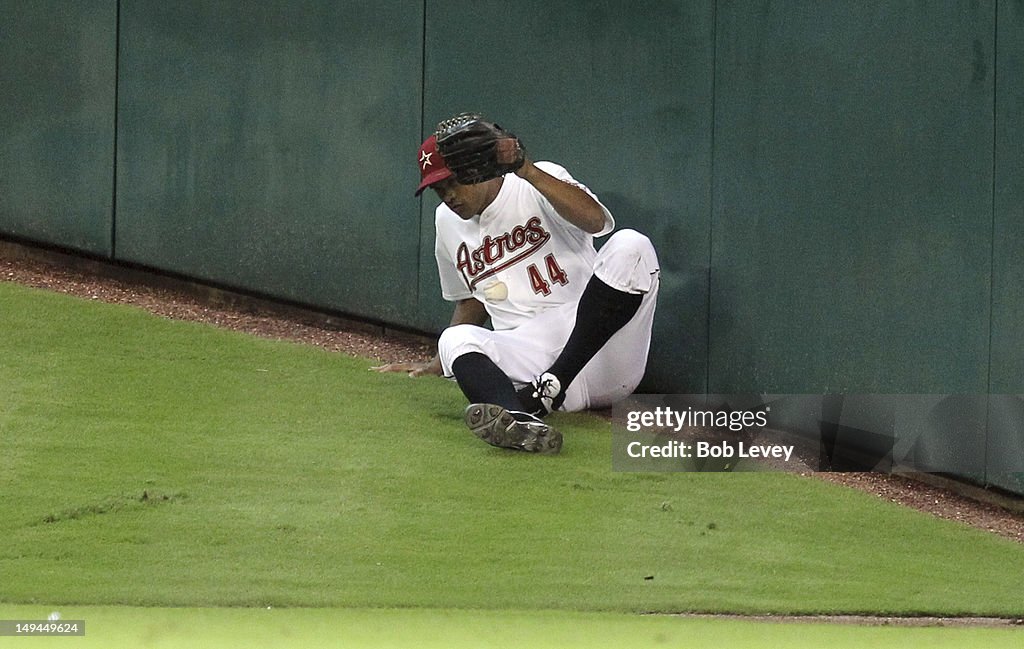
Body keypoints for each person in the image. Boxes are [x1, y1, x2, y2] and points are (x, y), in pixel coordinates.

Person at [375, 115, 659, 454]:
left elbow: (596, 221)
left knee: (632, 245)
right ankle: (519, 417)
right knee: (453, 338)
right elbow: (471, 299)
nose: (448, 196)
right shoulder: (446, 222)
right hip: (531, 357)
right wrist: (440, 362)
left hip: (600, 351)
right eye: (438, 189)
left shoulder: (535, 182)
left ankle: (549, 388)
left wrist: (528, 170)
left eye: (453, 182)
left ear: (479, 169)